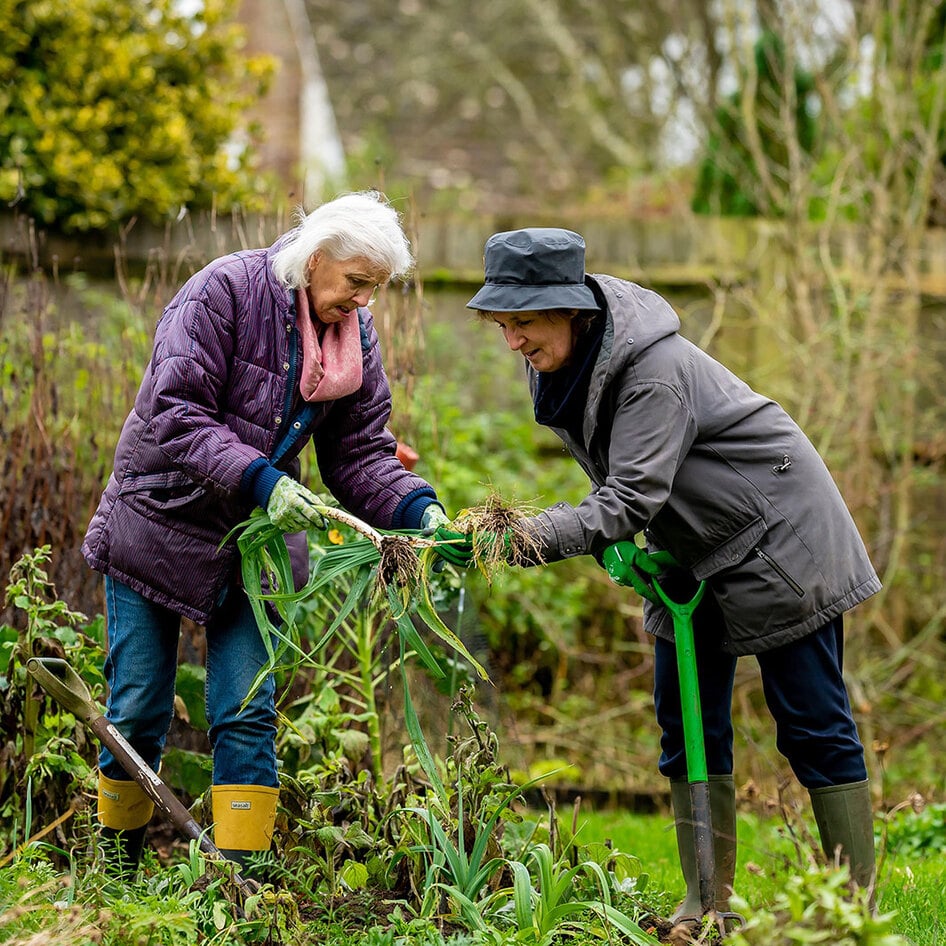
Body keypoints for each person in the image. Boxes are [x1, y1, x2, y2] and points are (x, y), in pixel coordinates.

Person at [433, 227, 880, 919]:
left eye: (522, 322)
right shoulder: (562, 361)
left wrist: (523, 536)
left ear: (570, 309)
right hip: (691, 549)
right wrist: (612, 543)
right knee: (686, 720)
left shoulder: (652, 370)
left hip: (779, 538)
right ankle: (705, 904)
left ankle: (853, 910)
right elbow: (621, 481)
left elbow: (631, 494)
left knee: (811, 722)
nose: (511, 340)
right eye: (502, 324)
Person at [82, 190, 449, 876]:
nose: (365, 303)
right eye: (358, 283)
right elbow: (175, 412)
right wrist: (265, 480)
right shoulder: (223, 292)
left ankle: (236, 886)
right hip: (159, 519)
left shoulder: (351, 336)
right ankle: (117, 872)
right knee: (135, 707)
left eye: (376, 289)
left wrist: (419, 508)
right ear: (315, 259)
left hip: (255, 542)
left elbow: (360, 453)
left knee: (246, 710)